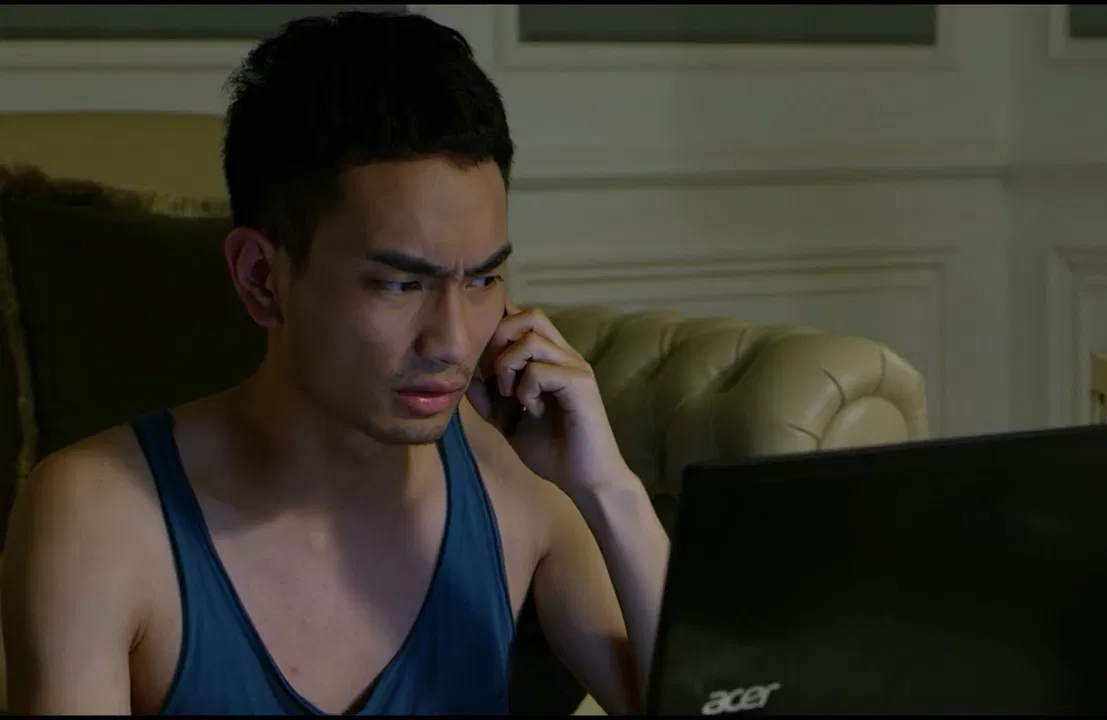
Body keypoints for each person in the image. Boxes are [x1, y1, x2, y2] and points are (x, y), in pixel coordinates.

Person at [0, 10, 669, 716]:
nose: (451, 341)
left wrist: (608, 490)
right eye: (399, 284)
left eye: (483, 279)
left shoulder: (512, 481)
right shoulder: (100, 519)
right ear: (261, 278)